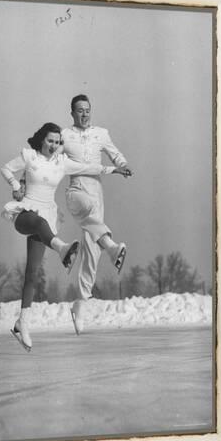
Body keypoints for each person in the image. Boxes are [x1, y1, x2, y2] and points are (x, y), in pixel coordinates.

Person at [1, 122, 129, 351]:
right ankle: (62, 249)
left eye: (58, 142)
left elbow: (89, 167)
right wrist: (14, 185)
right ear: (42, 140)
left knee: (32, 273)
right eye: (50, 141)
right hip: (25, 214)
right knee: (39, 223)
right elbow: (6, 168)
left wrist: (114, 169)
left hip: (47, 218)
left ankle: (22, 323)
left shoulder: (61, 163)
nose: (54, 145)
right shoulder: (29, 156)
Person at [61, 95, 132, 335]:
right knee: (89, 214)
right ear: (72, 113)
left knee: (91, 250)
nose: (84, 114)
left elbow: (115, 153)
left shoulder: (101, 133)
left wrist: (123, 165)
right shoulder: (64, 135)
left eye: (88, 110)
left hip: (96, 189)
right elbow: (47, 156)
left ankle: (80, 304)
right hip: (76, 189)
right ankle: (112, 247)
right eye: (80, 110)